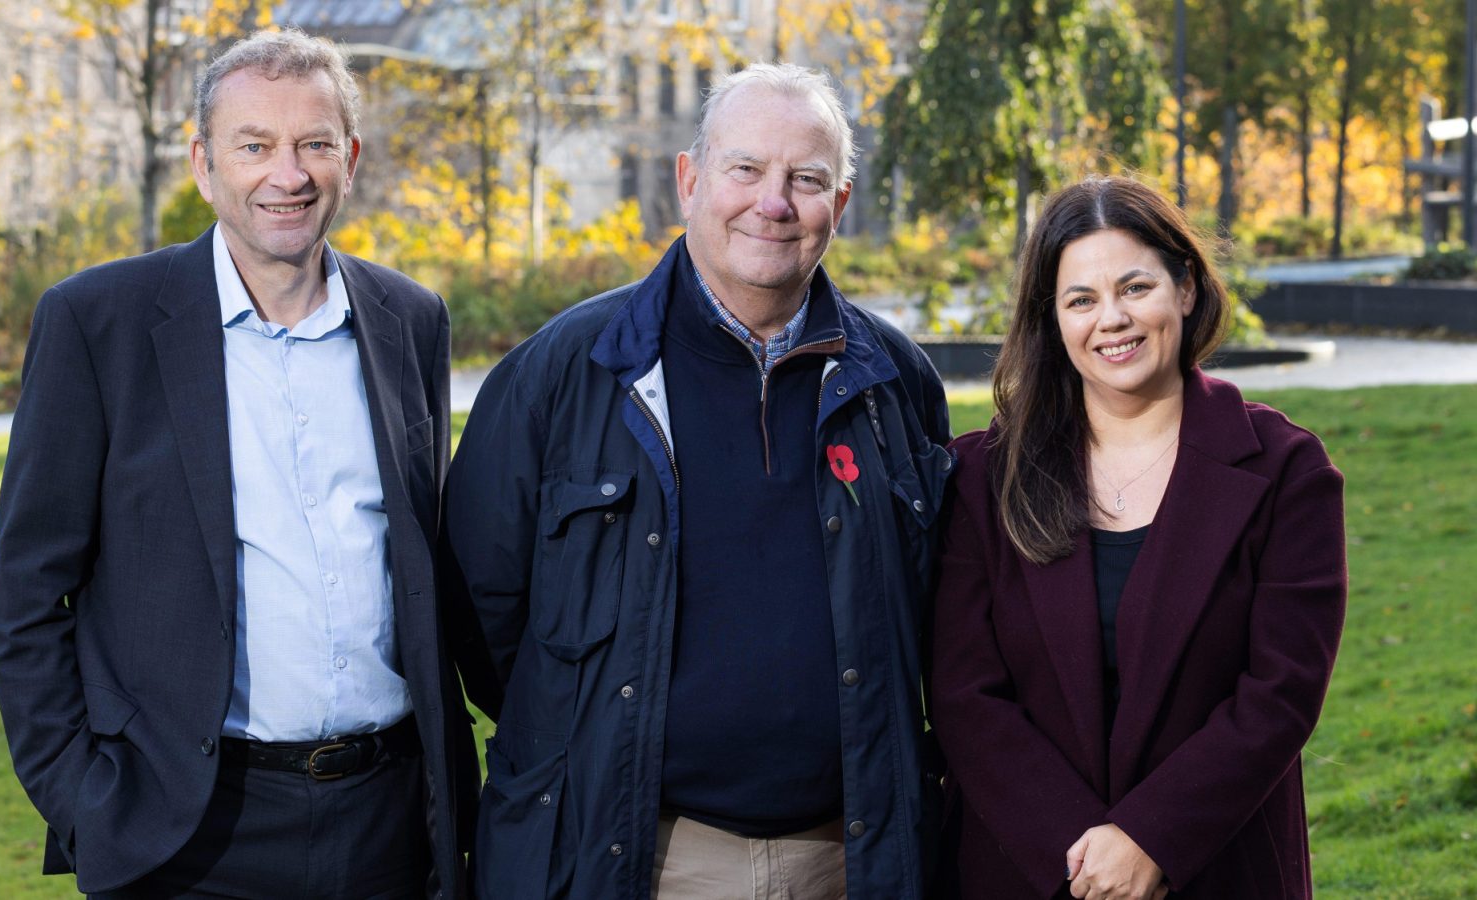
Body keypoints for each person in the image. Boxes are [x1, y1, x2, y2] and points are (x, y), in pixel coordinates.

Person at [442, 63, 955, 899]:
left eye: (806, 179)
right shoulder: (560, 374)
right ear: (690, 180)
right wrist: (596, 728)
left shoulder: (896, 381)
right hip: (636, 854)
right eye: (745, 169)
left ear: (842, 202)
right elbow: (478, 611)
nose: (773, 201)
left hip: (848, 857)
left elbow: (934, 609)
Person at [0, 29, 474, 898]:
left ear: (349, 158)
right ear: (205, 164)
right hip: (187, 832)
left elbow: (429, 568)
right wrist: (83, 799)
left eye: (313, 144)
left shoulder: (410, 320)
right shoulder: (99, 324)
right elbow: (25, 596)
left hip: (389, 822)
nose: (287, 175)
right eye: (255, 146)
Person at [931, 176, 1346, 900]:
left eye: (1135, 288)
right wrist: (1081, 859)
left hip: (1219, 866)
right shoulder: (983, 476)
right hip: (1025, 871)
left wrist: (1152, 839)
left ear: (1185, 288)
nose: (1112, 320)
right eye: (1081, 300)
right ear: (1052, 320)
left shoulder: (1287, 471)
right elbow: (966, 694)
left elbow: (1280, 694)